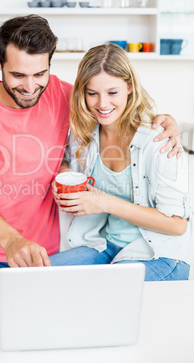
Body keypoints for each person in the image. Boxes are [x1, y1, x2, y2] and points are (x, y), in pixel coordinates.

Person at [0, 15, 181, 285]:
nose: (29, 86)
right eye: (17, 75)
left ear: (49, 64)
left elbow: (111, 107)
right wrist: (11, 240)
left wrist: (162, 121)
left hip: (45, 258)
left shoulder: (63, 96)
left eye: (39, 74)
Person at [51, 43, 192, 281]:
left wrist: (105, 202)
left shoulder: (159, 139)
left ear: (129, 87)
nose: (102, 104)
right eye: (92, 93)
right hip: (103, 246)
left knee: (106, 295)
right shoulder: (85, 133)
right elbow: (65, 159)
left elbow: (177, 225)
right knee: (37, 277)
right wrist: (63, 177)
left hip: (156, 254)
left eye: (112, 92)